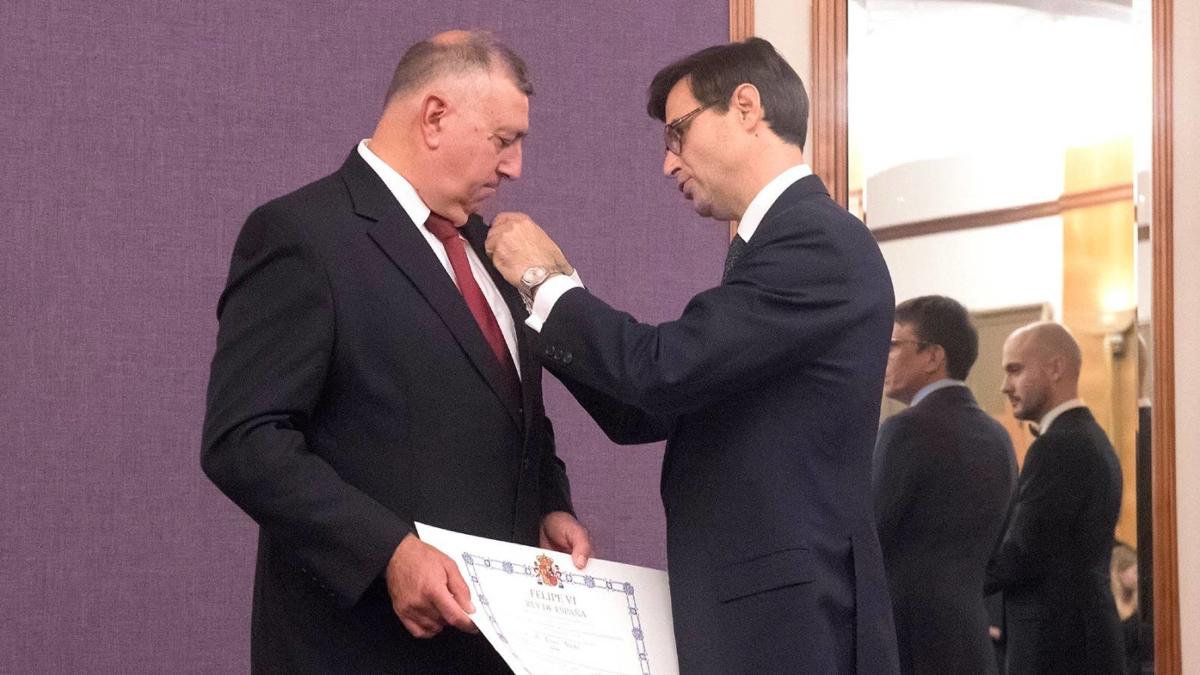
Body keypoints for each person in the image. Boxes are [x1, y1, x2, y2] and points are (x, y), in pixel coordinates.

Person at [486, 37, 900, 674]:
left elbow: (659, 371)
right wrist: (549, 299)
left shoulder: (817, 241)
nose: (668, 162)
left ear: (746, 107)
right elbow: (643, 408)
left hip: (791, 626)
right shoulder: (779, 246)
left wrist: (546, 284)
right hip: (766, 619)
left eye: (677, 133)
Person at [200, 31, 590, 673]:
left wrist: (548, 501)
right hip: (358, 648)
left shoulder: (489, 247)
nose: (515, 167)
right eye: (504, 139)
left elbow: (512, 410)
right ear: (434, 117)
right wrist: (388, 551)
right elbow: (244, 441)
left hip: (492, 651)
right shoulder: (302, 236)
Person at [872, 295, 1017, 675]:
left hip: (908, 641)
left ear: (933, 356)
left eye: (893, 345)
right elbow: (999, 547)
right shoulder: (999, 437)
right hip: (971, 641)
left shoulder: (905, 429)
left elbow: (871, 534)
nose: (882, 357)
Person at [986, 321, 1124, 674]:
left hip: (1057, 649)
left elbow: (1021, 555)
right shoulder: (1089, 436)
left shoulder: (1058, 446)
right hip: (1083, 640)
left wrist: (953, 580)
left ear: (1056, 368)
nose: (1005, 386)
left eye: (1015, 370)